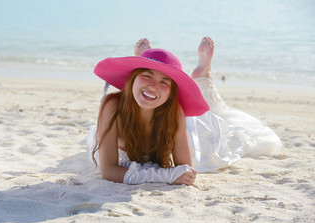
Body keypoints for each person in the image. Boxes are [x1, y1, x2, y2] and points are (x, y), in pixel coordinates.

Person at [87, 37, 281, 185]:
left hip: (173, 120)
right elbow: (108, 171)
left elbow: (186, 170)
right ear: (132, 78)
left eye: (164, 82)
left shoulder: (174, 112)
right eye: (147, 75)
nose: (154, 85)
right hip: (129, 113)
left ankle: (203, 76)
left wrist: (176, 174)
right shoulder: (112, 106)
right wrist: (168, 175)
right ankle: (147, 62)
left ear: (172, 93)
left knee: (215, 143)